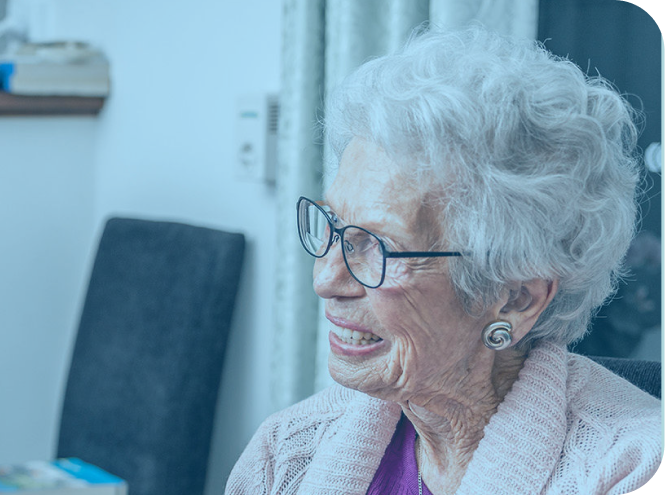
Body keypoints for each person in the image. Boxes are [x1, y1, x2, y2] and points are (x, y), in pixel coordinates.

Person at [226, 26, 661, 494]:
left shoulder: (627, 469)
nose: (326, 279)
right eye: (333, 227)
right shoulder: (287, 455)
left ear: (515, 298)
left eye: (380, 245)